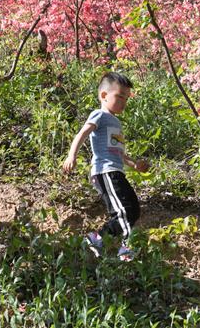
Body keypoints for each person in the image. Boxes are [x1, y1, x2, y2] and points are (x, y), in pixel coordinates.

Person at [62, 72, 149, 261]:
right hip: (105, 171)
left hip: (115, 171)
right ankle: (125, 250)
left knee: (133, 209)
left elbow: (118, 152)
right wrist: (72, 155)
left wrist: (135, 164)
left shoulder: (116, 122)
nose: (123, 102)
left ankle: (97, 238)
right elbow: (82, 134)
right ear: (104, 96)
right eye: (119, 96)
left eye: (126, 98)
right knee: (125, 210)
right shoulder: (99, 115)